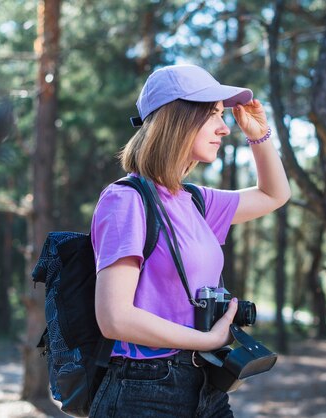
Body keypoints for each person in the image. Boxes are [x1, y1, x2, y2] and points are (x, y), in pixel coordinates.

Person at [89, 64, 290, 418]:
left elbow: (274, 195)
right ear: (178, 119)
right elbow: (114, 318)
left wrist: (259, 135)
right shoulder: (126, 200)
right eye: (213, 115)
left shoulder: (196, 201)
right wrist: (208, 340)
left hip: (206, 387)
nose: (225, 128)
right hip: (143, 390)